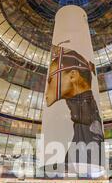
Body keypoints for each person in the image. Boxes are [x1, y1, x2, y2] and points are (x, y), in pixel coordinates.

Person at [45, 46, 104, 174]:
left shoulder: (86, 117)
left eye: (50, 80)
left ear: (73, 76)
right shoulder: (86, 115)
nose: (46, 91)